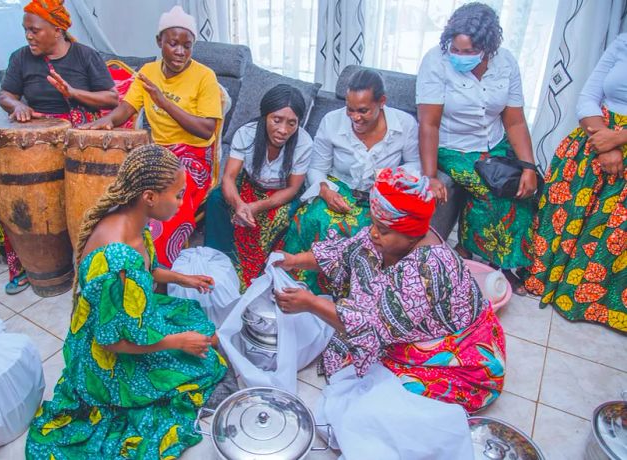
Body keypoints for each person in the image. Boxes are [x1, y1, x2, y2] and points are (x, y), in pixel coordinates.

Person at [26, 144, 227, 459]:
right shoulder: (116, 258)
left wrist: (184, 279)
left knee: (203, 329)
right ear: (149, 196)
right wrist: (177, 342)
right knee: (203, 362)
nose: (182, 202)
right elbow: (111, 344)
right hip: (106, 362)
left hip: (127, 325)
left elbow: (147, 271)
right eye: (178, 195)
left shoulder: (132, 220)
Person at [274, 167, 506, 414]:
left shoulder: (427, 270)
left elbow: (374, 327)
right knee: (346, 355)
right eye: (374, 224)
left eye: (383, 230)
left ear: (412, 234)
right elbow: (342, 253)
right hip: (394, 330)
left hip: (458, 360)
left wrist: (311, 303)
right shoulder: (383, 236)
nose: (373, 233)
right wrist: (292, 260)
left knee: (382, 401)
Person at [81, 5, 223, 268]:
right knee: (124, 194)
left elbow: (206, 129)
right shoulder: (148, 72)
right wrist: (98, 125)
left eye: (187, 45)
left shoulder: (205, 77)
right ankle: (119, 261)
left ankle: (155, 270)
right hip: (158, 155)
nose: (180, 51)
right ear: (160, 42)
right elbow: (125, 110)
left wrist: (163, 101)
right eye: (173, 44)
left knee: (165, 204)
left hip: (193, 159)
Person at [0, 0, 118, 294]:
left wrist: (74, 92)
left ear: (58, 29)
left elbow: (112, 99)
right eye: (25, 30)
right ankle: (31, 265)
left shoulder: (85, 56)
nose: (28, 36)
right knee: (18, 197)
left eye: (34, 30)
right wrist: (18, 105)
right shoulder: (21, 58)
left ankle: (87, 269)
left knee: (80, 204)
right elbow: (5, 94)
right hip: (36, 141)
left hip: (79, 140)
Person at [416, 2, 537, 295]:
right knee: (491, 191)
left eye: (469, 52)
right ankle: (490, 261)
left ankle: (497, 258)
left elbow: (516, 122)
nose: (460, 57)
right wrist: (430, 176)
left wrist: (530, 168)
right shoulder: (436, 62)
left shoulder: (505, 63)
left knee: (523, 190)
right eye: (455, 50)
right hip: (453, 147)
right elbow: (428, 125)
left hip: (495, 143)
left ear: (488, 47)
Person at [523, 34, 627, 332]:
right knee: (561, 213)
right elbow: (588, 96)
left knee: (612, 233)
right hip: (594, 139)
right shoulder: (623, 41)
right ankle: (546, 280)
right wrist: (606, 144)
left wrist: (618, 138)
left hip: (609, 139)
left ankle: (588, 302)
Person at [283, 69, 420, 294]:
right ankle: (301, 290)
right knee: (312, 220)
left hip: (381, 195)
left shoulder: (404, 124)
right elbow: (317, 168)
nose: (355, 117)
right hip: (338, 188)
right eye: (350, 109)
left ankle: (349, 298)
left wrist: (388, 176)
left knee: (368, 235)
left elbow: (416, 165)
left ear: (382, 102)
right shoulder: (332, 121)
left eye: (363, 110)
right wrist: (325, 191)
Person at [205, 84, 312, 289]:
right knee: (217, 199)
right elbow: (229, 177)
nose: (283, 130)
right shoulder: (246, 133)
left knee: (287, 216)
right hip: (248, 185)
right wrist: (239, 204)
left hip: (281, 193)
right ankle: (219, 262)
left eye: (292, 123)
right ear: (265, 116)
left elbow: (292, 189)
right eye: (277, 120)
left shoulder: (304, 143)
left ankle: (270, 274)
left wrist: (255, 207)